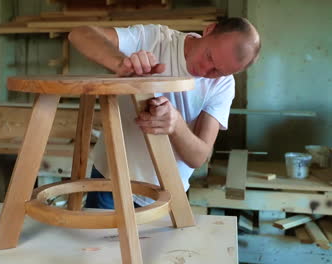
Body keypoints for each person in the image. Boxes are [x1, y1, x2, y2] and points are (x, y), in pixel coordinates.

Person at [68, 17, 261, 208]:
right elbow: (80, 34)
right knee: (99, 238)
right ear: (209, 30)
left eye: (218, 71)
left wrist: (176, 125)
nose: (204, 70)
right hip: (110, 179)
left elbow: (198, 157)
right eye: (209, 56)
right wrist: (122, 64)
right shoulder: (155, 39)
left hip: (166, 193)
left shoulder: (224, 85)